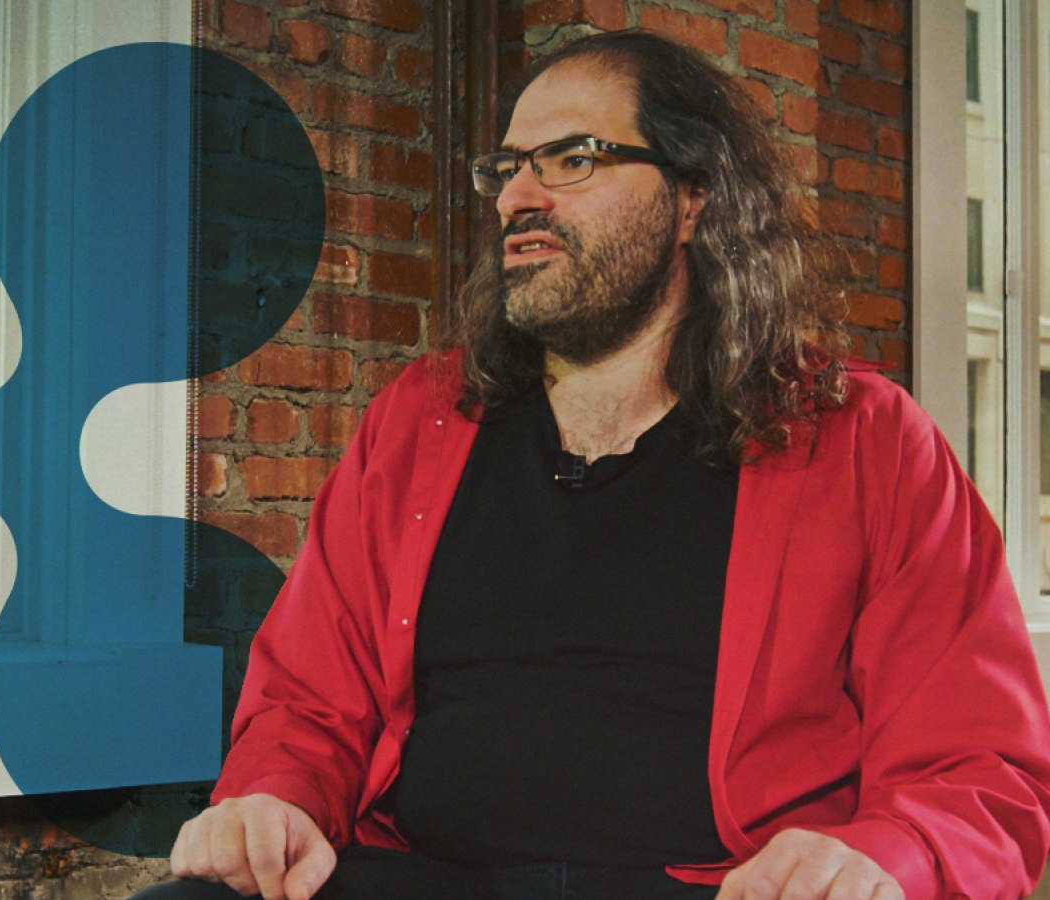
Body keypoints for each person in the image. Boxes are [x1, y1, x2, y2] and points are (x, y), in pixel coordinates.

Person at [136, 30, 1050, 900]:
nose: (518, 198)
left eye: (572, 159)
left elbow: (980, 769)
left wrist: (882, 855)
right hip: (425, 880)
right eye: (507, 168)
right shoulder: (419, 420)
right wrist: (275, 798)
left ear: (693, 198)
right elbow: (307, 702)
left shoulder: (864, 444)